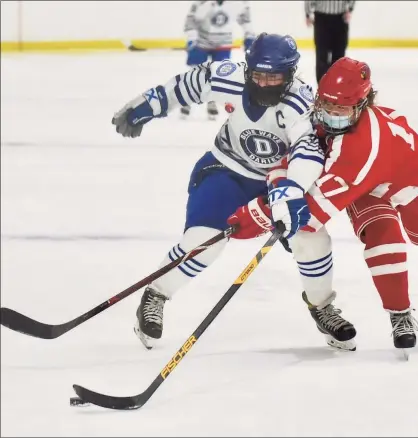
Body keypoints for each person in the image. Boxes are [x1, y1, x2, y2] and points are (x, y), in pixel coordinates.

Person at [228, 57, 418, 352]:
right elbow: (291, 162)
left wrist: (255, 217)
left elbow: (314, 209)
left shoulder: (362, 149)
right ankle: (400, 315)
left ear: (362, 104)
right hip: (368, 187)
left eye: (340, 109)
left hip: (412, 182)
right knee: (384, 240)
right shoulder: (318, 119)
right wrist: (278, 193)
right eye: (325, 105)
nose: (329, 114)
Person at [111, 33, 357, 352]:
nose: (266, 83)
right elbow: (190, 83)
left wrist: (292, 193)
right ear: (247, 70)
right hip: (224, 171)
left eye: (275, 77)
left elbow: (307, 152)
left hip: (274, 182)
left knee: (312, 238)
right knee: (203, 243)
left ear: (290, 74)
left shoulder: (301, 103)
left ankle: (322, 306)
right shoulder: (228, 77)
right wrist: (149, 103)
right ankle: (156, 294)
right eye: (259, 75)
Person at [182, 1, 256, 120]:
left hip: (223, 43)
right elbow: (191, 20)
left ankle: (211, 100)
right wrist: (192, 37)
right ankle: (189, 98)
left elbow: (246, 20)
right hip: (201, 42)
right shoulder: (202, 3)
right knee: (197, 73)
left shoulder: (238, 3)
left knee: (218, 75)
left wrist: (249, 36)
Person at [305, 1, 356, 83]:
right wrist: (308, 14)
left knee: (339, 56)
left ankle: (336, 86)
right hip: (322, 18)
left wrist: (350, 9)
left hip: (340, 18)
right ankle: (322, 88)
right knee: (322, 56)